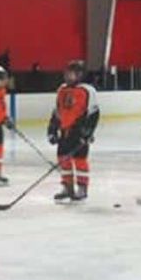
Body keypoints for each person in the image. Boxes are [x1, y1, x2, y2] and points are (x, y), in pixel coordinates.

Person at [47, 60, 100, 202]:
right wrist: (52, 129)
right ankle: (67, 187)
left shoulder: (87, 90)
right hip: (65, 132)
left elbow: (93, 114)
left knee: (80, 161)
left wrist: (87, 133)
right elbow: (57, 112)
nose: (68, 77)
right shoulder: (62, 89)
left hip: (79, 133)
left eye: (71, 74)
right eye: (67, 74)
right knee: (63, 159)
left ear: (80, 75)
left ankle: (82, 188)